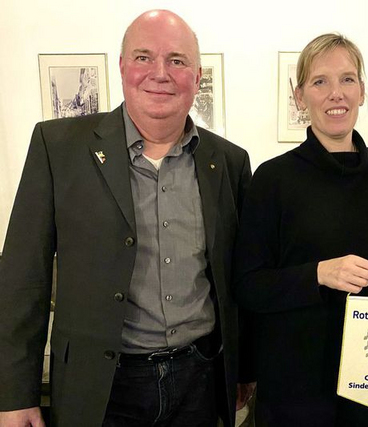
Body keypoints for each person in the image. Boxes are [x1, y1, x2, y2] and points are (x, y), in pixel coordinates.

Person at [0, 10, 252, 427]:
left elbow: (238, 278)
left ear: (197, 76)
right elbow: (22, 278)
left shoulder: (228, 161)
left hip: (199, 382)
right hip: (102, 389)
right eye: (143, 57)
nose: (160, 73)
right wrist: (14, 394)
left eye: (176, 60)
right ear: (122, 66)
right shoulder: (58, 147)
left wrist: (243, 368)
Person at [234, 33, 368, 426]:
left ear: (362, 91)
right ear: (300, 96)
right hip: (294, 383)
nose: (336, 93)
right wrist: (319, 274)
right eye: (320, 81)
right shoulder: (272, 179)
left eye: (347, 79)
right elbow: (249, 285)